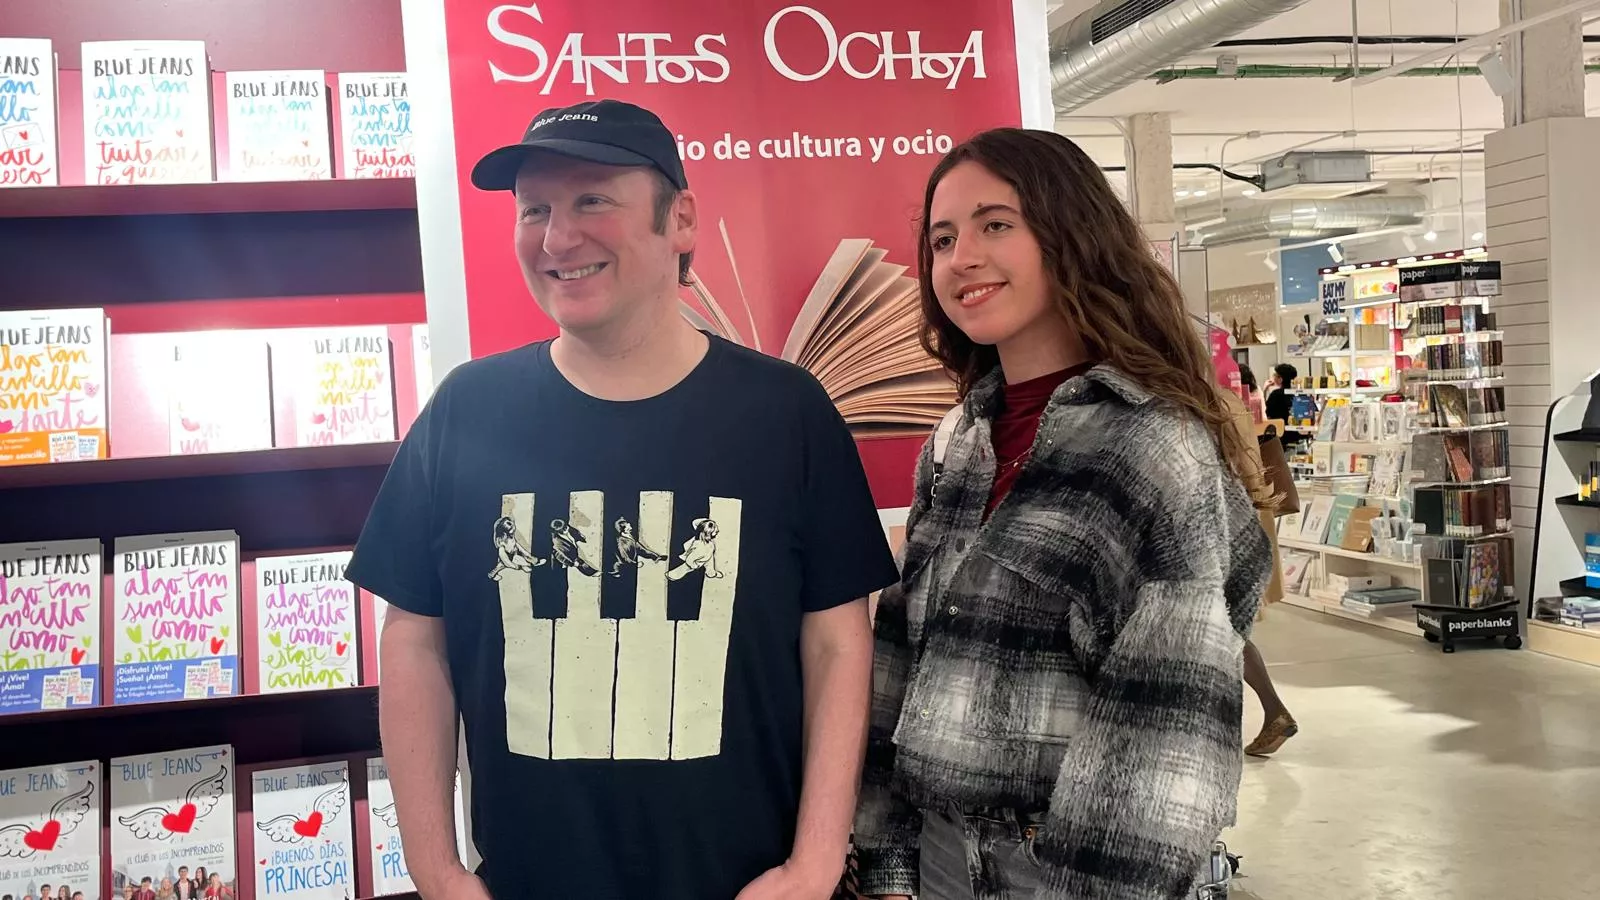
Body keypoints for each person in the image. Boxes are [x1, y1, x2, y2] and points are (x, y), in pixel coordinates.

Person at [345, 98, 897, 900]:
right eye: (534, 209)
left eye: (591, 200)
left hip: (747, 885)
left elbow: (838, 646)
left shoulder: (786, 413)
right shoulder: (466, 411)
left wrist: (814, 866)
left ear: (681, 221)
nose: (556, 237)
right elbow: (413, 645)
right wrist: (434, 869)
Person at [854, 128, 1274, 900]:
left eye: (995, 225)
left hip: (1066, 863)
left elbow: (1164, 729)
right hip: (942, 858)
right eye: (942, 239)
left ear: (1069, 234)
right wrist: (884, 860)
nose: (961, 258)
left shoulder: (1148, 445)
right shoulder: (959, 442)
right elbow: (898, 664)